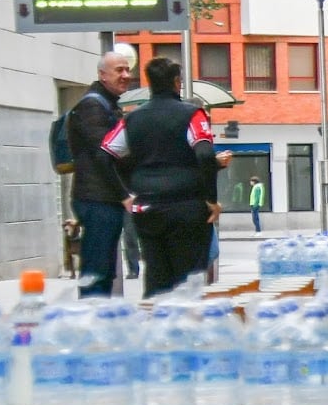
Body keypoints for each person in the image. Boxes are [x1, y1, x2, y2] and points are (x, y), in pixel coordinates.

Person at [101, 57, 223, 299]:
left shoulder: (132, 118)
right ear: (177, 83)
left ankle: (156, 325)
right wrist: (211, 199)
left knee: (156, 274)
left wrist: (124, 193)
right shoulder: (193, 114)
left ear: (150, 84)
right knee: (188, 282)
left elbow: (106, 153)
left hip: (147, 207)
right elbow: (205, 154)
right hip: (187, 206)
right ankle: (184, 330)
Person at [67, 52, 132, 297]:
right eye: (119, 70)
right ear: (102, 75)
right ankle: (92, 319)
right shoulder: (93, 106)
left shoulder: (106, 103)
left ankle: (97, 316)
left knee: (103, 269)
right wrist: (123, 194)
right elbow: (102, 155)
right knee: (97, 270)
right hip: (97, 199)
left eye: (127, 69)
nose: (126, 75)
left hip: (102, 198)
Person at [122, 211, 141, 280]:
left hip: (130, 227)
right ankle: (132, 270)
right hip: (128, 226)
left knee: (131, 248)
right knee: (129, 249)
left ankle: (134, 271)